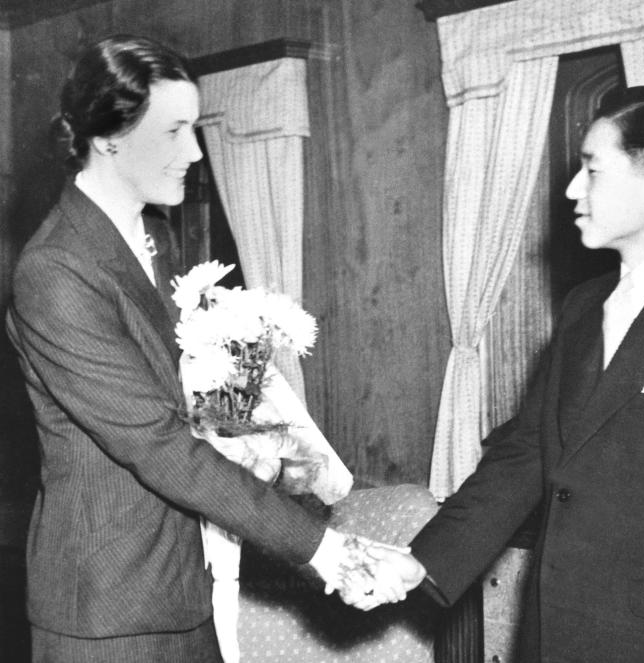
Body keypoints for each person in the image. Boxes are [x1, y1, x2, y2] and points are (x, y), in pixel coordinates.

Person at [354, 86, 644, 662]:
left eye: (593, 170)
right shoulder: (584, 305)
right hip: (553, 629)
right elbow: (527, 455)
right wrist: (420, 563)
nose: (572, 190)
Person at [5, 34, 387, 663]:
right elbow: (156, 443)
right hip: (109, 609)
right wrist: (322, 549)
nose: (195, 150)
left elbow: (191, 404)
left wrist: (256, 432)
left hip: (187, 585)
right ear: (109, 136)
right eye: (175, 129)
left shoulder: (156, 236)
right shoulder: (55, 272)